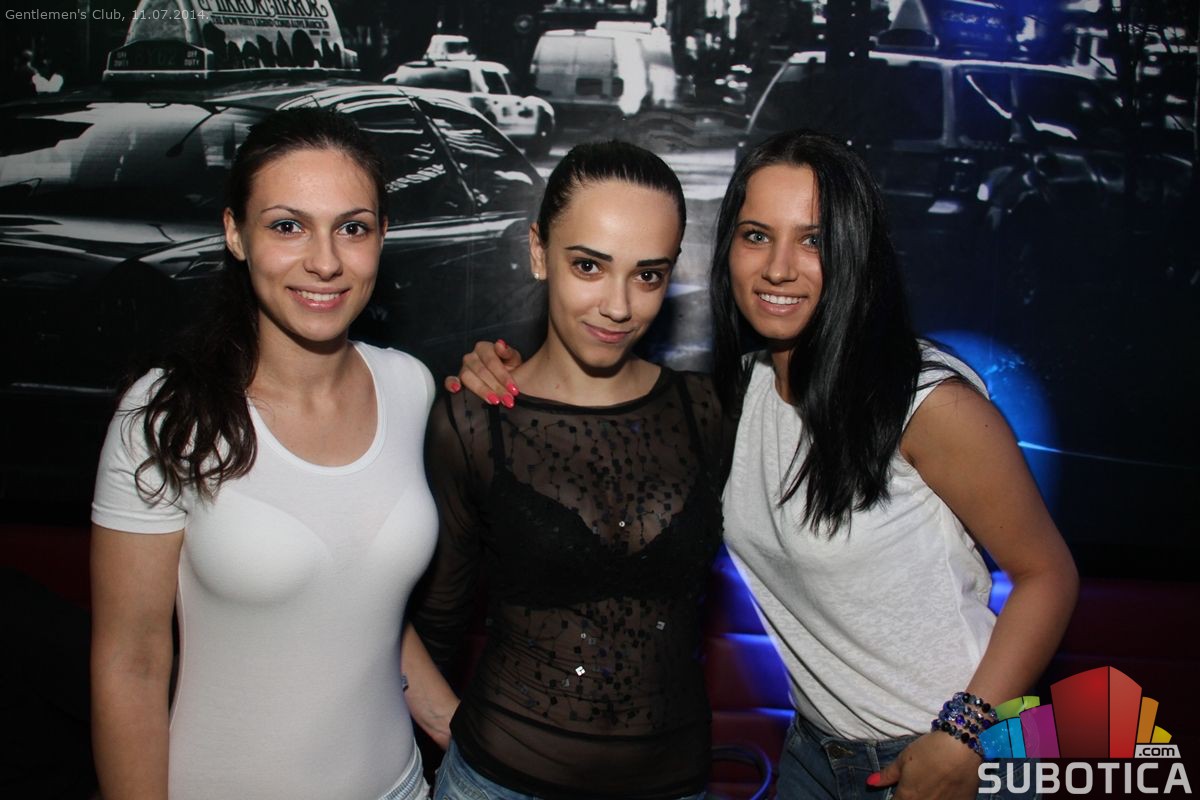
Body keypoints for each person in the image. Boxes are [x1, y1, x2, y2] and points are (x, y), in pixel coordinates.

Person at [451, 129, 1078, 800]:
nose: (779, 267)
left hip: (956, 750)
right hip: (814, 750)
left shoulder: (924, 403)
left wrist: (964, 733)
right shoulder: (734, 397)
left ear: (854, 250)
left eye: (813, 240)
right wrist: (501, 372)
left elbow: (1049, 575)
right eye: (756, 235)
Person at [90, 108, 438, 800]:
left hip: (403, 786)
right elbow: (131, 665)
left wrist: (455, 726)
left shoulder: (410, 386)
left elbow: (364, 607)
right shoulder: (166, 416)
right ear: (236, 234)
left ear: (382, 236)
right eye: (287, 226)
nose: (325, 261)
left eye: (352, 228)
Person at [405, 141, 726, 800]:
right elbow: (437, 617)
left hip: (673, 784)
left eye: (648, 275)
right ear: (537, 251)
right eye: (588, 266)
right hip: (498, 781)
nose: (618, 306)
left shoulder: (707, 412)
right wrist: (441, 729)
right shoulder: (474, 419)